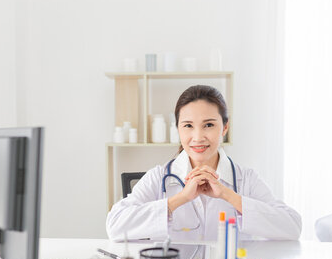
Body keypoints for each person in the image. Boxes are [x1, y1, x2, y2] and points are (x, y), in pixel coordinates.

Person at [106, 85, 301, 242]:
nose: (198, 137)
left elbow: (292, 226)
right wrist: (180, 198)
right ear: (178, 129)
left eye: (208, 125)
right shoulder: (159, 177)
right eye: (188, 126)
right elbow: (115, 226)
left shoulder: (246, 179)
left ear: (224, 127)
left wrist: (227, 195)